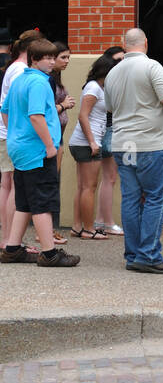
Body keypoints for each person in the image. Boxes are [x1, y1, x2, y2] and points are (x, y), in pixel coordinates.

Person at [0, 37, 80, 267]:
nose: (52, 62)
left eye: (53, 57)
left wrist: (17, 131)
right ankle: (49, 253)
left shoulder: (19, 80)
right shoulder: (39, 83)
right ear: (34, 59)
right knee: (42, 200)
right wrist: (48, 145)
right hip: (37, 150)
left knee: (24, 200)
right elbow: (36, 115)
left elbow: (5, 111)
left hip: (20, 147)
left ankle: (13, 248)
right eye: (47, 58)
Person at [104, 28, 163, 274]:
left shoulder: (113, 72)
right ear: (146, 42)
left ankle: (133, 254)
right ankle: (149, 255)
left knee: (131, 199)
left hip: (123, 143)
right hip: (150, 143)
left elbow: (110, 107)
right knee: (156, 198)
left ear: (123, 45)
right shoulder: (152, 66)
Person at [0, 29, 41, 249]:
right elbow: (15, 107)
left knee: (7, 185)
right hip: (12, 135)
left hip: (7, 134)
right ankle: (10, 239)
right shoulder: (21, 71)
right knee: (14, 186)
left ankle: (8, 238)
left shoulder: (14, 67)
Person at [68, 55, 116, 240]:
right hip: (88, 143)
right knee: (89, 187)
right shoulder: (94, 87)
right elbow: (83, 116)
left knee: (82, 187)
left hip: (83, 142)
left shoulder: (98, 88)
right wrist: (93, 142)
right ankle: (89, 229)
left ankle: (77, 227)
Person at [94, 45, 124, 234]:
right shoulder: (105, 83)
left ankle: (100, 220)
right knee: (109, 178)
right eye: (117, 60)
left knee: (108, 178)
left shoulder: (108, 82)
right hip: (108, 130)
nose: (121, 63)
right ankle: (106, 222)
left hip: (110, 129)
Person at [48, 40, 75, 244]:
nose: (67, 61)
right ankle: (46, 232)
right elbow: (44, 112)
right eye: (63, 57)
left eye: (68, 57)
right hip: (51, 139)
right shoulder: (47, 80)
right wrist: (63, 105)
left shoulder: (55, 78)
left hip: (58, 137)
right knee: (49, 184)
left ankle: (47, 231)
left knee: (52, 182)